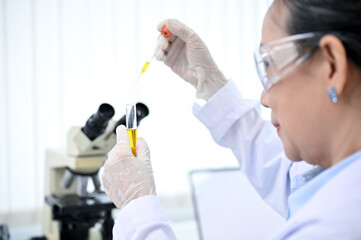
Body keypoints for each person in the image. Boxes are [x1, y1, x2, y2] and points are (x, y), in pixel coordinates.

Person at [101, 0, 361, 239]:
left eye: (269, 65)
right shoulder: (335, 182)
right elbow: (291, 179)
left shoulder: (336, 225)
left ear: (332, 65)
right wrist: (210, 83)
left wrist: (137, 207)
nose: (265, 98)